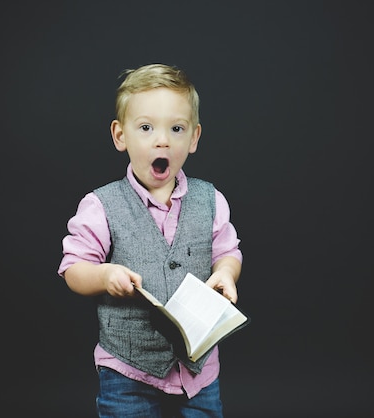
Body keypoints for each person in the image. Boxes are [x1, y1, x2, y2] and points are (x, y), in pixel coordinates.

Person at [58, 63, 243, 417]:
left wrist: (226, 273)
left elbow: (227, 251)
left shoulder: (210, 200)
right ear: (120, 135)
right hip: (128, 370)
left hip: (198, 371)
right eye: (146, 127)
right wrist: (103, 275)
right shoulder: (101, 205)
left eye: (176, 128)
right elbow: (73, 269)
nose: (162, 140)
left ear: (193, 138)